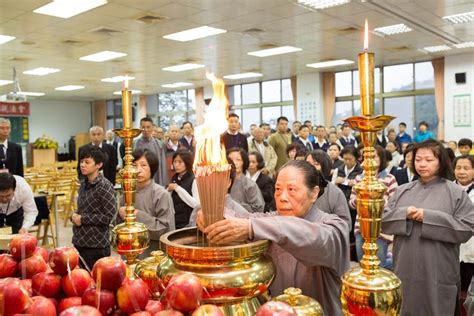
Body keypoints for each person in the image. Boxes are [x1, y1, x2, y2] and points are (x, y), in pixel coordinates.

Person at [196, 160, 350, 315]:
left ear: (314, 193)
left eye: (291, 190)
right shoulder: (270, 222)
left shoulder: (334, 227)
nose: (282, 197)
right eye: (277, 189)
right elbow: (242, 217)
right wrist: (212, 212)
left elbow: (306, 235)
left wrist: (250, 227)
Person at [382, 140, 474, 316]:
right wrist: (404, 213)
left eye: (429, 160)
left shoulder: (455, 192)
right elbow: (383, 221)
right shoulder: (403, 191)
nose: (422, 164)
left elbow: (466, 228)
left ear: (441, 161)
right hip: (405, 268)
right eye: (418, 159)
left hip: (438, 271)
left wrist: (428, 217)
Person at [117, 148, 175, 256]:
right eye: (134, 166)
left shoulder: (161, 194)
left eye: (143, 165)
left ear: (151, 168)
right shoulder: (126, 193)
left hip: (153, 255)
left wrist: (137, 215)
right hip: (129, 253)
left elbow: (164, 230)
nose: (138, 170)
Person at [350, 145, 397, 268]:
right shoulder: (359, 178)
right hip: (361, 229)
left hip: (381, 230)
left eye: (374, 156)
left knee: (378, 268)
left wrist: (380, 202)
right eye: (366, 157)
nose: (370, 160)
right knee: (363, 266)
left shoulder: (389, 178)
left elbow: (395, 205)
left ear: (381, 159)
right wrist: (360, 200)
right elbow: (351, 203)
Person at [71, 145, 116, 269]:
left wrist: (83, 219)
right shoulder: (83, 183)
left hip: (96, 246)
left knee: (97, 284)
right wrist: (74, 216)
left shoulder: (104, 186)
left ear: (99, 164)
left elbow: (109, 217)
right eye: (81, 161)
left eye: (87, 162)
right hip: (79, 242)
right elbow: (83, 209)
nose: (82, 165)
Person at [305, 150, 351, 228]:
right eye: (308, 164)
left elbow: (345, 223)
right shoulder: (297, 188)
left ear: (324, 167)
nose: (310, 167)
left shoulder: (335, 193)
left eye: (316, 164)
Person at [453, 154, 474, 293]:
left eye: (466, 168)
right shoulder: (445, 189)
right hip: (450, 250)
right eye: (458, 168)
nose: (462, 172)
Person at [167, 150, 199, 229]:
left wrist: (177, 188)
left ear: (187, 163)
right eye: (175, 162)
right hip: (174, 221)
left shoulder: (194, 180)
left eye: (180, 162)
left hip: (187, 223)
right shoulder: (174, 178)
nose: (176, 165)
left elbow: (196, 205)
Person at [227, 147, 265, 213]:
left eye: (238, 160)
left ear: (244, 162)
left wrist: (232, 205)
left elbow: (258, 209)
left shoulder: (250, 185)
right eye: (230, 160)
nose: (234, 163)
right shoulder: (221, 183)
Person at [134, 117, 168, 186]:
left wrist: (164, 183)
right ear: (140, 128)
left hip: (155, 177)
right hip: (140, 177)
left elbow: (162, 165)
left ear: (152, 128)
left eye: (148, 127)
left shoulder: (159, 144)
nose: (146, 130)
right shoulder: (135, 143)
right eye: (143, 127)